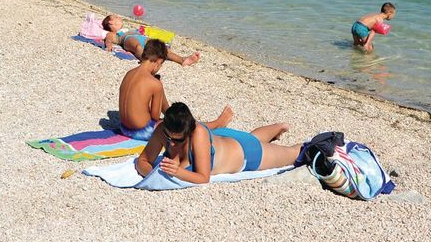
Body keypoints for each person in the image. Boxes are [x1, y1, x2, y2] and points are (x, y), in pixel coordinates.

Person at [136, 102, 300, 183]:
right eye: (168, 137)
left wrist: (176, 172)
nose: (171, 144)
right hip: (223, 139)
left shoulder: (198, 134)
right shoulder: (161, 130)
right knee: (253, 138)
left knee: (294, 154)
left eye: (178, 139)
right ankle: (278, 127)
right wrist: (151, 174)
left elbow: (203, 177)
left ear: (189, 131)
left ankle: (285, 128)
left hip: (245, 153)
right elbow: (142, 161)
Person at [119, 41, 231, 140]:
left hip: (124, 128)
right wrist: (158, 90)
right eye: (161, 65)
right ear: (158, 62)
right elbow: (154, 117)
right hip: (141, 132)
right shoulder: (154, 84)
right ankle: (216, 124)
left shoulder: (129, 74)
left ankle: (170, 112)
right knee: (181, 124)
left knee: (158, 92)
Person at [102, 15, 199, 66]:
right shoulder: (115, 33)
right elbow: (109, 39)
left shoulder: (128, 28)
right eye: (116, 17)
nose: (119, 17)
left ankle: (182, 60)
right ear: (111, 22)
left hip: (142, 38)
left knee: (161, 47)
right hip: (127, 39)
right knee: (137, 47)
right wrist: (109, 46)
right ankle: (145, 61)